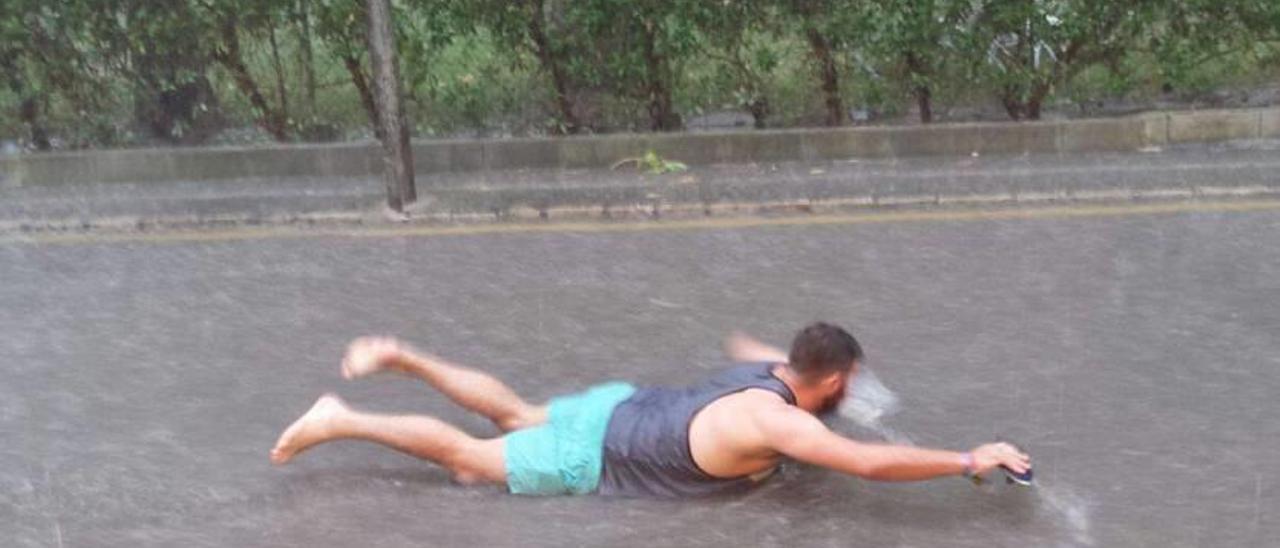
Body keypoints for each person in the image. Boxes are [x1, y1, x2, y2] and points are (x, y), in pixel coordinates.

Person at [270, 322, 1030, 497]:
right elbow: (868, 462)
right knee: (471, 463)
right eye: (850, 383)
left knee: (514, 413)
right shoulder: (778, 422)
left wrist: (841, 383)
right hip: (600, 454)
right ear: (832, 382)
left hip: (621, 406)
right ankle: (344, 419)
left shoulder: (770, 367)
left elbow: (746, 338)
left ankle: (405, 358)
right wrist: (968, 457)